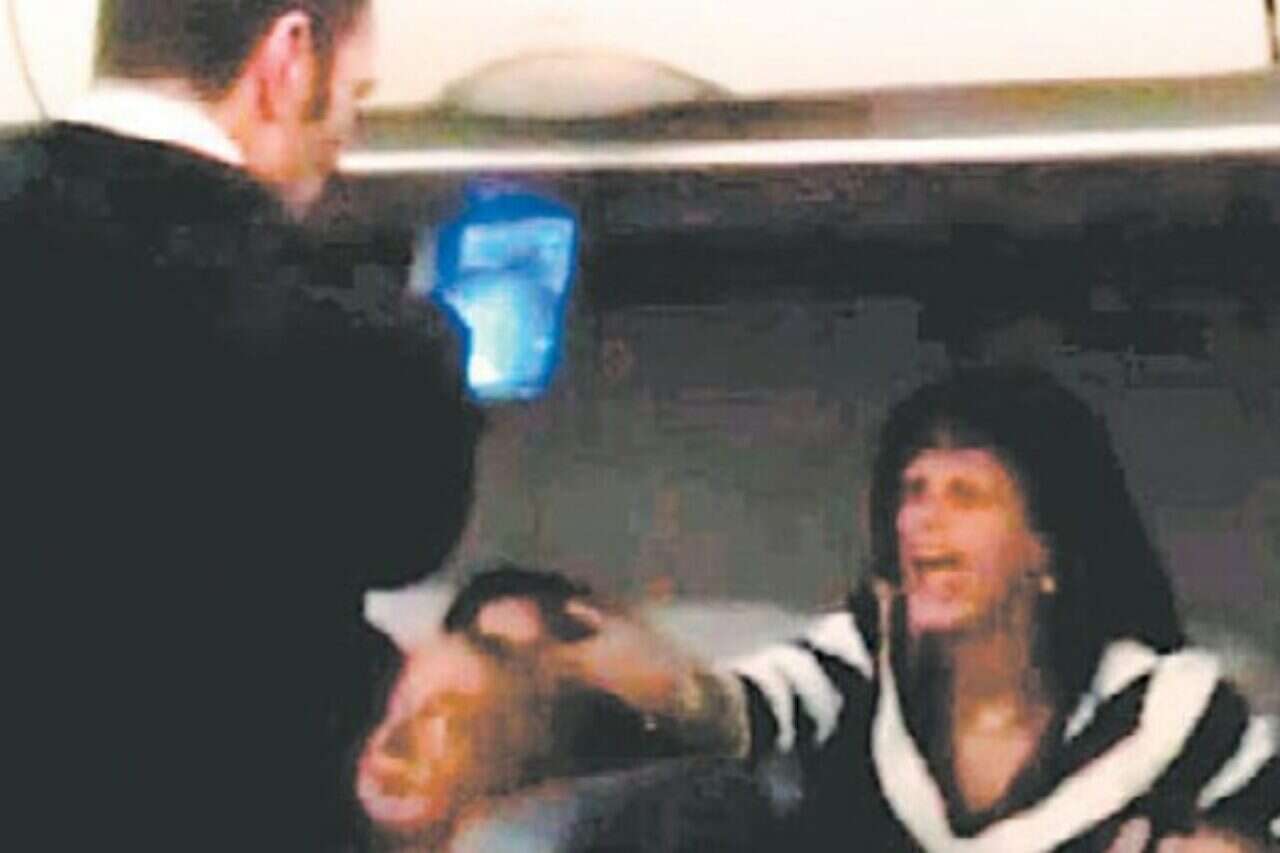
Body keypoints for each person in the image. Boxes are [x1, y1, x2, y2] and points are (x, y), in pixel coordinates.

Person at [360, 366, 1278, 851]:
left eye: (964, 495)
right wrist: (664, 683)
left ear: (1047, 544)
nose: (922, 521)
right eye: (912, 492)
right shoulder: (868, 653)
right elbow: (749, 710)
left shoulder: (1172, 711)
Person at [2, 2, 481, 849]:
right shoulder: (347, 331)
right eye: (355, 101)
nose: (342, 144)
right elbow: (411, 533)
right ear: (288, 58)